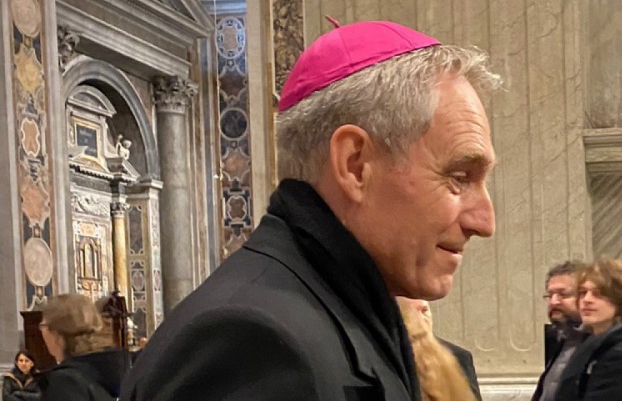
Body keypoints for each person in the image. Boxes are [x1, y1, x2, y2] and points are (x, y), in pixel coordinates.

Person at [124, 21, 501, 401]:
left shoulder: (348, 311)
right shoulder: (256, 345)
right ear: (355, 165)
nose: (484, 221)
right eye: (459, 177)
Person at [553, 259, 622, 401]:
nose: (587, 300)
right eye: (583, 292)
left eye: (598, 293)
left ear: (621, 299)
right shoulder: (594, 344)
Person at [35, 294, 131, 401]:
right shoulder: (109, 371)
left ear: (56, 334)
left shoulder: (65, 382)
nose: (41, 331)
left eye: (43, 326)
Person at [397, 298, 479, 401]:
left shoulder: (459, 356)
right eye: (413, 313)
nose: (421, 319)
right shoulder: (386, 357)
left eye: (423, 311)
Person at [533, 261, 586, 401]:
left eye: (563, 295)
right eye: (550, 295)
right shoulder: (557, 340)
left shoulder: (602, 344)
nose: (554, 302)